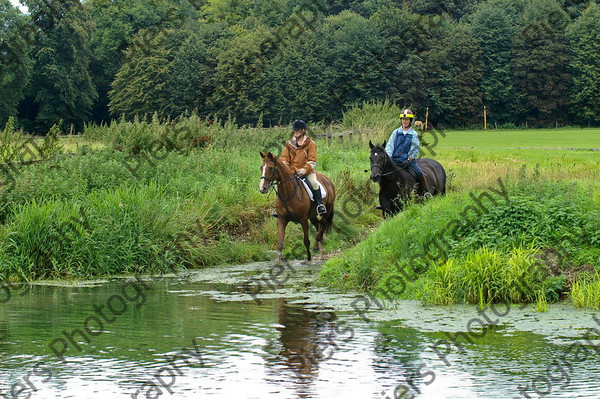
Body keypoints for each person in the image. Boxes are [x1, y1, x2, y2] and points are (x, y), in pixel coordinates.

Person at [280, 119, 327, 215]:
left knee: (314, 183)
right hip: (292, 172)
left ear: (303, 131)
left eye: (298, 130)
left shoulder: (311, 144)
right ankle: (279, 208)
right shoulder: (289, 144)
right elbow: (284, 159)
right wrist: (286, 169)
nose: (295, 132)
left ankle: (319, 205)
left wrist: (304, 170)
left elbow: (312, 161)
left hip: (307, 172)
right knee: (280, 186)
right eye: (294, 130)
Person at [385, 109, 431, 196]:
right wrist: (389, 157)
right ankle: (384, 196)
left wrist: (409, 159)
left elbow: (414, 148)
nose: (404, 121)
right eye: (403, 119)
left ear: (410, 121)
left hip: (407, 161)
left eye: (406, 120)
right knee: (384, 174)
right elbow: (390, 146)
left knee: (419, 173)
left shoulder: (414, 134)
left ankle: (426, 192)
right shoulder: (395, 132)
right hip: (394, 160)